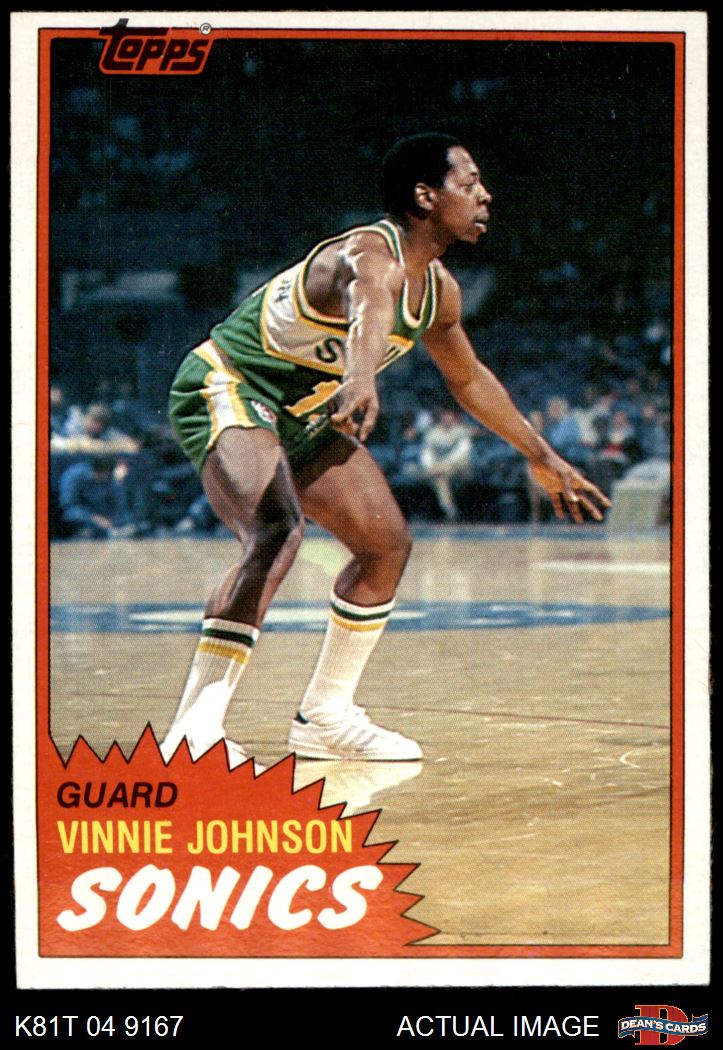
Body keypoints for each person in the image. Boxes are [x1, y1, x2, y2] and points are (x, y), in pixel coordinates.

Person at [161, 132, 610, 770]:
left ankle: (325, 717)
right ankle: (193, 732)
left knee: (386, 544)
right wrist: (360, 375)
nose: (485, 196)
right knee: (276, 529)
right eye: (469, 184)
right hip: (230, 384)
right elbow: (368, 307)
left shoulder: (440, 291)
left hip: (305, 411)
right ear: (425, 196)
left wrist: (541, 455)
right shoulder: (367, 252)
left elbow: (468, 379)